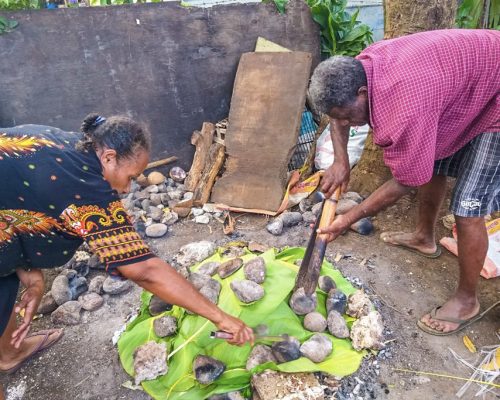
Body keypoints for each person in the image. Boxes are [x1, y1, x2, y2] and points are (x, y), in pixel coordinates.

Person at [0, 114, 254, 396]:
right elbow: (144, 270)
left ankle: (10, 352)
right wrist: (220, 317)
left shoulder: (68, 145)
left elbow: (13, 198)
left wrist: (28, 273)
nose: (126, 189)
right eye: (130, 177)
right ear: (109, 157)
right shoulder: (86, 189)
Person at [308, 29, 499, 336]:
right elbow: (337, 115)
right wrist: (340, 161)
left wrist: (348, 219)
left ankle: (467, 300)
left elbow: (406, 181)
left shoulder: (406, 103)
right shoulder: (357, 70)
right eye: (337, 117)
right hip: (467, 83)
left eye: (346, 115)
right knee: (431, 160)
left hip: (496, 97)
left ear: (362, 94)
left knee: (468, 206)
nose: (343, 122)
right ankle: (425, 238)